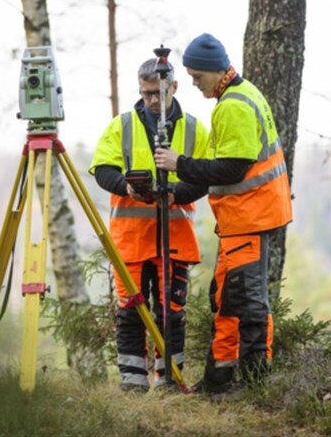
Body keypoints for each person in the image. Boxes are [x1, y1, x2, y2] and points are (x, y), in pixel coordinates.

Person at [154, 33, 292, 393]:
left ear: (215, 71)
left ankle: (253, 384)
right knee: (226, 300)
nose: (195, 85)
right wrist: (176, 194)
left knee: (247, 302)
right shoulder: (239, 97)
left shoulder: (233, 106)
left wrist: (178, 163)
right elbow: (218, 171)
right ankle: (219, 381)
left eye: (198, 77)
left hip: (250, 218)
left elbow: (231, 169)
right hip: (242, 220)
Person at [89, 57, 209, 392]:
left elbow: (207, 176)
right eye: (146, 93)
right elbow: (102, 169)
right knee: (130, 311)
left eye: (158, 92)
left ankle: (169, 378)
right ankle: (133, 382)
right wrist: (125, 186)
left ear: (174, 87)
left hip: (176, 239)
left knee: (172, 312)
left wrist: (176, 194)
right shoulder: (122, 125)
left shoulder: (196, 129)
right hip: (130, 240)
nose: (153, 100)